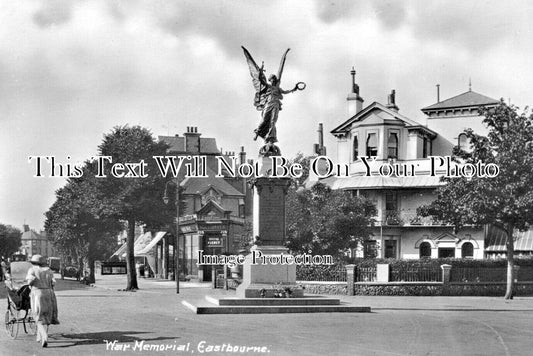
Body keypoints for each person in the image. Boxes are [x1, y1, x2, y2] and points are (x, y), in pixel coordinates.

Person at [26, 254, 59, 348]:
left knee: (38, 317)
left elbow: (29, 282)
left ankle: (44, 336)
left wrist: (30, 284)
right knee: (47, 315)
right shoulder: (49, 270)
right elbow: (53, 283)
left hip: (37, 293)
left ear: (33, 262)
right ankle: (39, 336)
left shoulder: (32, 270)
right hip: (49, 293)